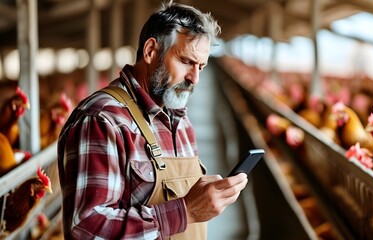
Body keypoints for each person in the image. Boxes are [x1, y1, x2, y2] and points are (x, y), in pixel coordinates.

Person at [57, 1, 248, 239]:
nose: (195, 78)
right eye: (186, 61)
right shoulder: (103, 119)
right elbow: (87, 229)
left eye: (201, 66)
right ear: (150, 51)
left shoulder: (179, 119)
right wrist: (185, 211)